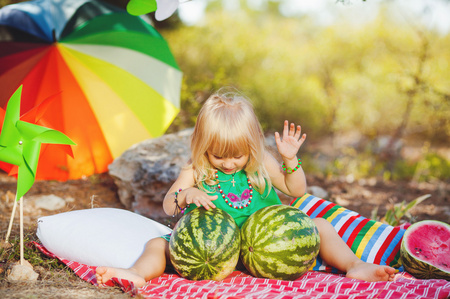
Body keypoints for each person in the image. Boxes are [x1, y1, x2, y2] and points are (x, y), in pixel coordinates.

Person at [96, 89, 397, 288]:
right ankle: (136, 274)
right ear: (203, 148)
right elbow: (168, 204)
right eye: (218, 155)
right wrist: (186, 195)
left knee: (319, 225)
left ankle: (354, 265)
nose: (228, 163)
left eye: (237, 155)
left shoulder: (261, 162)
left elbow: (297, 190)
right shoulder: (196, 170)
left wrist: (289, 159)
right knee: (158, 244)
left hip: (267, 249)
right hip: (213, 253)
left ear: (252, 146)